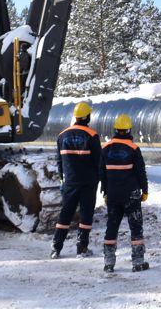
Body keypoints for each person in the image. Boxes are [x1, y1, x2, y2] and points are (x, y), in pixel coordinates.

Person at [99, 113, 149, 273]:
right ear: (129, 130)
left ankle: (109, 263)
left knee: (112, 226)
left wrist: (105, 192)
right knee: (136, 227)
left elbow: (102, 173)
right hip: (131, 194)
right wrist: (145, 190)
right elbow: (141, 172)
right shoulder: (133, 148)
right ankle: (138, 262)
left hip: (113, 194)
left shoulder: (105, 148)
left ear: (115, 129)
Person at [52, 101, 101, 258]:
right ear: (87, 117)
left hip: (70, 182)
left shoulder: (62, 136)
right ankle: (82, 248)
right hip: (88, 182)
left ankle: (56, 248)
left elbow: (59, 162)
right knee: (86, 215)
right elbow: (99, 162)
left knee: (65, 213)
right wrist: (99, 179)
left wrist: (63, 179)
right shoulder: (92, 135)